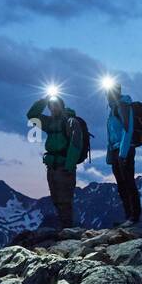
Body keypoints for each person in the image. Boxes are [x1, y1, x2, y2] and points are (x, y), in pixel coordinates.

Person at [26, 89, 84, 229]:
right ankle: (64, 229)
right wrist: (44, 99)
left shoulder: (70, 121)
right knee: (56, 199)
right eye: (50, 106)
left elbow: (76, 144)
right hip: (52, 166)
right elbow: (31, 115)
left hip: (64, 167)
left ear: (61, 106)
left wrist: (69, 166)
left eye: (55, 105)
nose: (52, 108)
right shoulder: (49, 122)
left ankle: (68, 230)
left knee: (65, 200)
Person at [105, 81, 142, 227]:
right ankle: (128, 217)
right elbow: (112, 134)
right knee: (122, 184)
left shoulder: (123, 105)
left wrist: (123, 153)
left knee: (128, 183)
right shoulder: (113, 108)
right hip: (116, 150)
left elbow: (128, 128)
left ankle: (134, 217)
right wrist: (111, 155)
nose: (108, 95)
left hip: (124, 150)